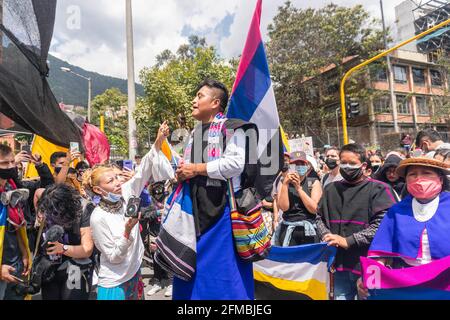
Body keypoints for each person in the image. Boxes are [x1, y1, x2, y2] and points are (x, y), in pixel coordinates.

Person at [171, 79, 258, 300]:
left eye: (200, 96)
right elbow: (189, 168)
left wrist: (196, 169)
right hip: (193, 212)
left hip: (222, 213)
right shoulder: (193, 134)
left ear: (215, 102)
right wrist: (182, 173)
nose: (194, 100)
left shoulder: (231, 128)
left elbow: (234, 164)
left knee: (223, 275)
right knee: (190, 272)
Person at [88, 122, 173, 300]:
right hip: (114, 283)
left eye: (117, 177)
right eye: (110, 181)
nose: (118, 182)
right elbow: (114, 257)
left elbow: (143, 171)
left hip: (134, 274)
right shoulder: (98, 218)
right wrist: (127, 231)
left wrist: (158, 141)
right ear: (97, 190)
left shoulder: (126, 193)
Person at [358, 157, 450, 299]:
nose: (419, 179)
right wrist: (369, 279)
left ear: (441, 179)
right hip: (407, 280)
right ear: (406, 180)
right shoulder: (396, 211)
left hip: (445, 280)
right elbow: (380, 252)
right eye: (413, 174)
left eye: (426, 173)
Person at [315, 143, 397, 300]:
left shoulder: (379, 189)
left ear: (363, 165)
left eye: (352, 163)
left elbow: (383, 226)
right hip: (339, 264)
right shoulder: (331, 189)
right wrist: (326, 236)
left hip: (370, 263)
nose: (347, 167)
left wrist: (348, 241)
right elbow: (319, 217)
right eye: (343, 162)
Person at [0, 145, 53, 300]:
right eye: (4, 163)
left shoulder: (13, 187)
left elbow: (17, 226)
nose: (11, 166)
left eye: (12, 162)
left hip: (15, 263)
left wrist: (24, 253)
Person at [35, 184, 95, 300]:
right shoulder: (48, 201)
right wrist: (40, 215)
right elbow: (38, 192)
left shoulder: (84, 208)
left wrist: (62, 248)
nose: (54, 215)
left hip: (76, 266)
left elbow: (87, 249)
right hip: (50, 266)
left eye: (57, 213)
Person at [273, 151, 322, 246]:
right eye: (295, 164)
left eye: (301, 164)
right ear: (290, 166)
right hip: (288, 229)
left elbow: (313, 209)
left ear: (307, 165)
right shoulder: (283, 182)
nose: (298, 166)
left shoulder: (313, 183)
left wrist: (299, 189)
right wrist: (285, 184)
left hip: (309, 231)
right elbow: (283, 207)